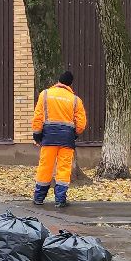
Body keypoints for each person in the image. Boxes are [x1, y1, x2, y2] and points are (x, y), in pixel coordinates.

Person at [30, 70, 87, 206]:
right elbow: (81, 123)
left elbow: (38, 117)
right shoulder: (75, 100)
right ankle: (60, 200)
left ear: (58, 81)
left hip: (48, 137)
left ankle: (39, 198)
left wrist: (37, 135)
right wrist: (74, 134)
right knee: (64, 169)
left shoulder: (45, 95)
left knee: (45, 167)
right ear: (70, 84)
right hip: (67, 139)